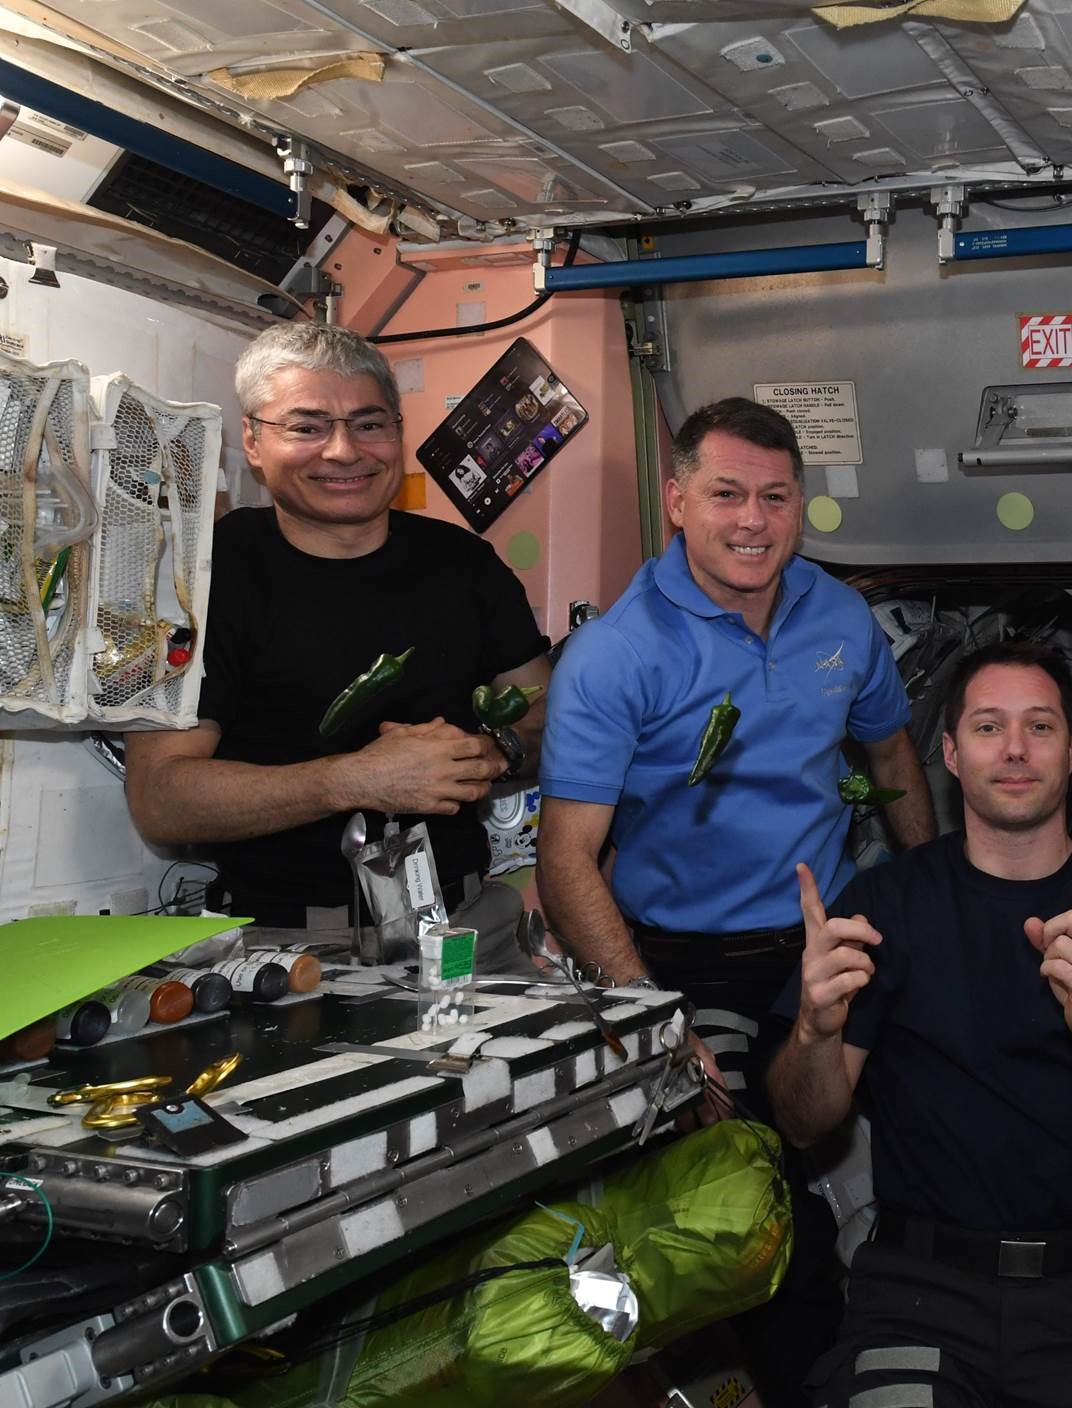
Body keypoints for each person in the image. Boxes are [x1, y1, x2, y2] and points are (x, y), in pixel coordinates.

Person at [536, 395, 936, 1406]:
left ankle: (925, 1345)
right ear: (676, 500)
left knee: (947, 1125)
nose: (751, 519)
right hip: (688, 961)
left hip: (827, 932)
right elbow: (566, 860)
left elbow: (889, 750)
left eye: (773, 495)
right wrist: (653, 1017)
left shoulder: (837, 614)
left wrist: (940, 902)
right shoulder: (615, 654)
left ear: (799, 503)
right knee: (756, 1202)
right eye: (725, 494)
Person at [767, 639, 1072, 1407]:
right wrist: (815, 1029)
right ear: (949, 753)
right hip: (914, 1303)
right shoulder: (883, 911)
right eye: (987, 727)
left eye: (1039, 727)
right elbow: (803, 1121)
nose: (1014, 748)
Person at [125, 321, 548, 964]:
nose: (345, 451)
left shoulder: (464, 564)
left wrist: (491, 752)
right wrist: (354, 780)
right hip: (289, 952)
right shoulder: (205, 578)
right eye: (307, 426)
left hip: (467, 930)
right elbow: (162, 798)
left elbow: (547, 715)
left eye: (370, 424)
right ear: (253, 442)